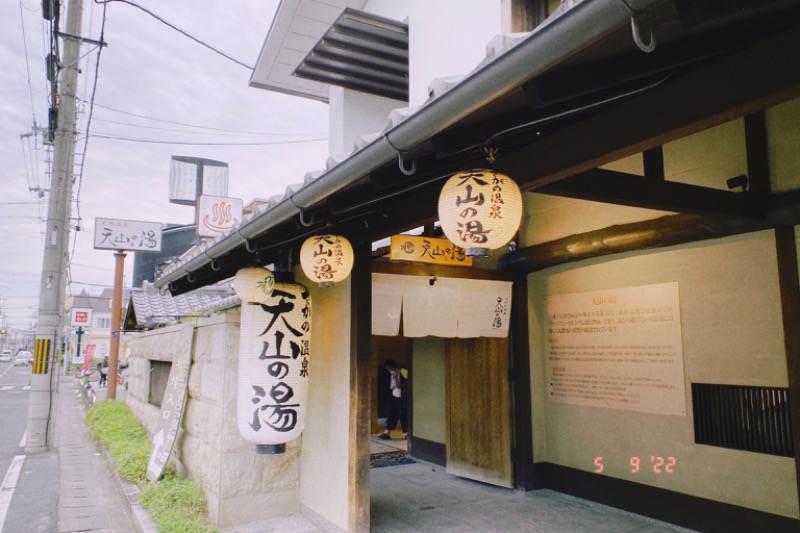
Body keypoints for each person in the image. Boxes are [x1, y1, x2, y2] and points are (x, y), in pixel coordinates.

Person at [379, 359, 408, 440]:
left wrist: (402, 385)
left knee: (403, 414)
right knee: (391, 413)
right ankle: (387, 432)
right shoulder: (391, 373)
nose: (388, 370)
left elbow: (411, 381)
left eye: (389, 368)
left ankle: (406, 433)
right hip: (393, 394)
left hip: (402, 395)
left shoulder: (402, 371)